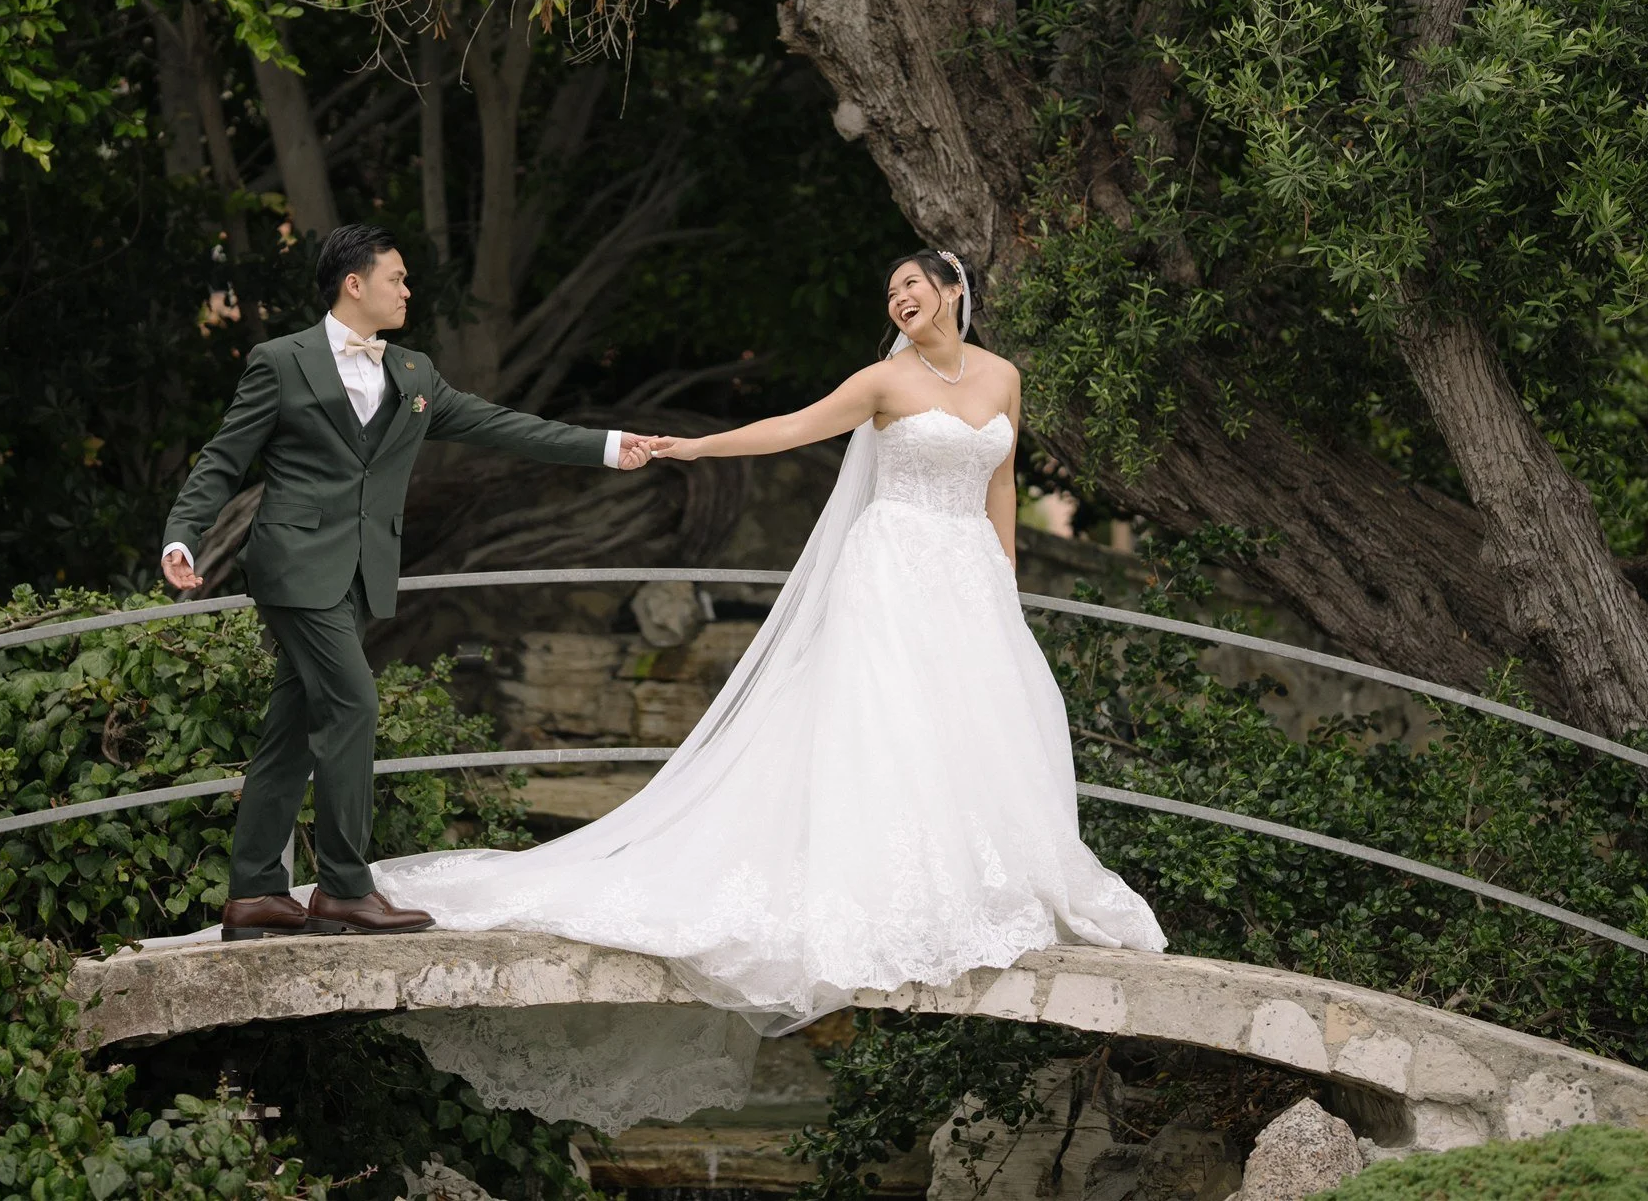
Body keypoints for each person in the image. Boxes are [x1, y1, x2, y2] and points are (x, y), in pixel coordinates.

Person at [362, 248, 1166, 1130]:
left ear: (952, 292)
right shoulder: (881, 383)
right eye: (888, 288)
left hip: (968, 580)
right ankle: (890, 891)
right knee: (888, 725)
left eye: (911, 284)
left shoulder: (1004, 377)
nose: (897, 297)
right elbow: (791, 427)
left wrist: (1005, 594)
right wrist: (694, 447)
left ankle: (980, 887)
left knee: (970, 731)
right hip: (891, 570)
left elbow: (1002, 483)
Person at [158, 224, 654, 941]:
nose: (407, 289)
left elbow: (501, 425)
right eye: (397, 277)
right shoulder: (280, 361)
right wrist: (184, 533)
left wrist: (608, 446)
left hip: (362, 571)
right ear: (353, 284)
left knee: (292, 731)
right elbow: (223, 458)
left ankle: (256, 893)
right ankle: (344, 889)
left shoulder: (415, 375)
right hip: (295, 564)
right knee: (354, 701)